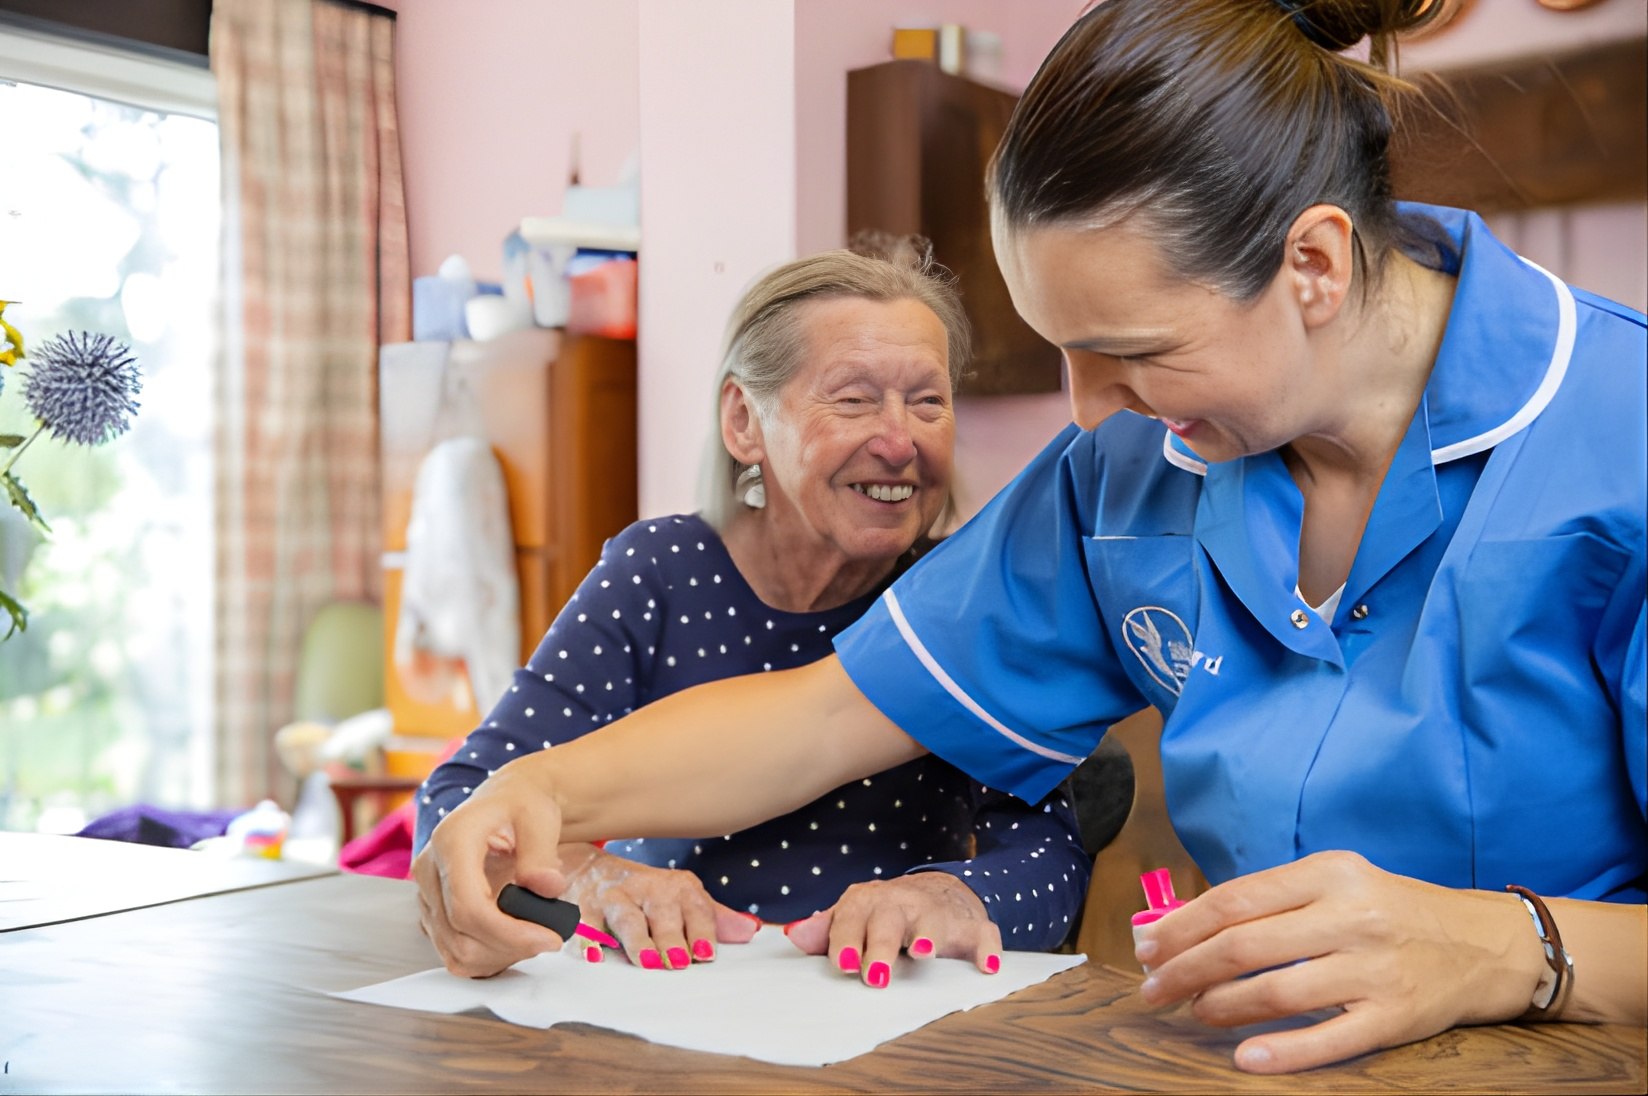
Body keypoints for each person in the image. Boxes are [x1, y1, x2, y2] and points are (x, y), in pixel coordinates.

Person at [415, 0, 1646, 1073]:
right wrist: (540, 790)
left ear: (1312, 266)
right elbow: (827, 712)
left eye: (1134, 355)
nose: (1084, 411)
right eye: (1065, 350)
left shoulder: (1619, 436)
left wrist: (1511, 946)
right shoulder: (1120, 476)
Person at [413, 240, 1093, 980]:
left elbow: (1048, 856)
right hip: (666, 1000)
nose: (900, 441)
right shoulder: (658, 573)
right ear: (744, 421)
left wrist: (949, 894)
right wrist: (587, 876)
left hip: (880, 1009)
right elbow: (460, 800)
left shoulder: (955, 596)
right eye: (854, 398)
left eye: (928, 401)